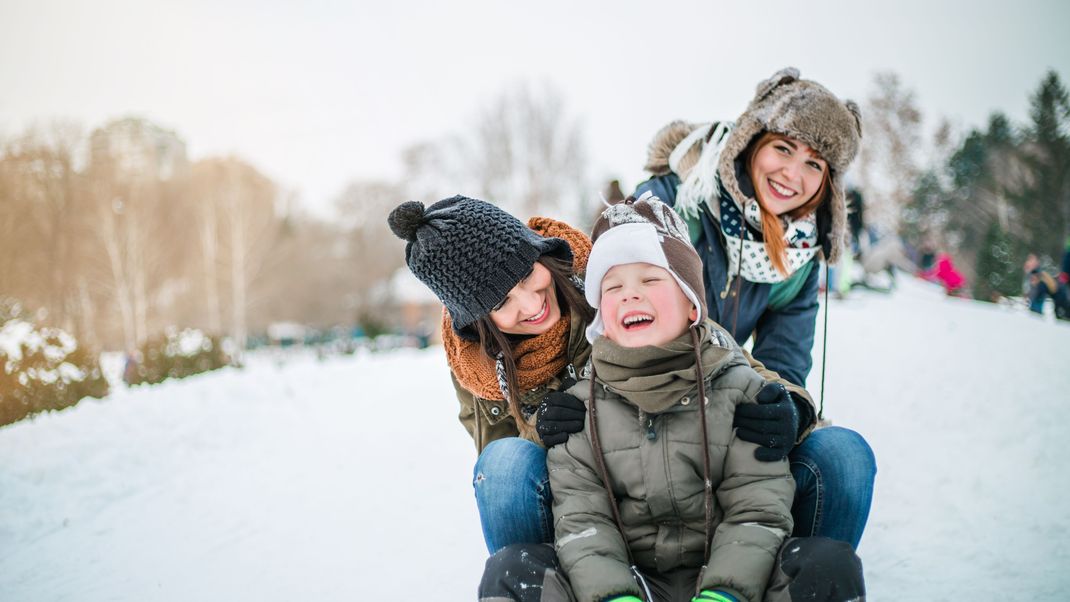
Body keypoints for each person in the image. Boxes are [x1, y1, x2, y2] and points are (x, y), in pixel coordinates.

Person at [478, 195, 864, 602]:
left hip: (733, 579)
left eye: (651, 279)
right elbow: (582, 522)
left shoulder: (738, 390)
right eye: (612, 287)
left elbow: (757, 509)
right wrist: (614, 595)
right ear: (601, 318)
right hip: (628, 581)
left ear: (692, 306)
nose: (629, 295)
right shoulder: (581, 409)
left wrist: (724, 594)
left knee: (827, 564)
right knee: (512, 571)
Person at [387, 195, 812, 556]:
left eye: (525, 276)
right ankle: (539, 584)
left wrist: (789, 404)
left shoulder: (612, 282)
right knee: (502, 464)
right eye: (502, 301)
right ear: (478, 320)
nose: (530, 302)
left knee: (838, 452)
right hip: (581, 502)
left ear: (539, 253)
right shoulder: (477, 368)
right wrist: (541, 431)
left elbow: (711, 348)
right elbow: (505, 471)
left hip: (682, 477)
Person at [632, 68, 876, 548]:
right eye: (783, 148)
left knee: (845, 456)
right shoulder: (676, 200)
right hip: (644, 410)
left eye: (815, 164)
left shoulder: (802, 258)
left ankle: (798, 576)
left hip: (724, 417)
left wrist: (787, 409)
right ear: (751, 142)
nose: (793, 175)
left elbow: (786, 361)